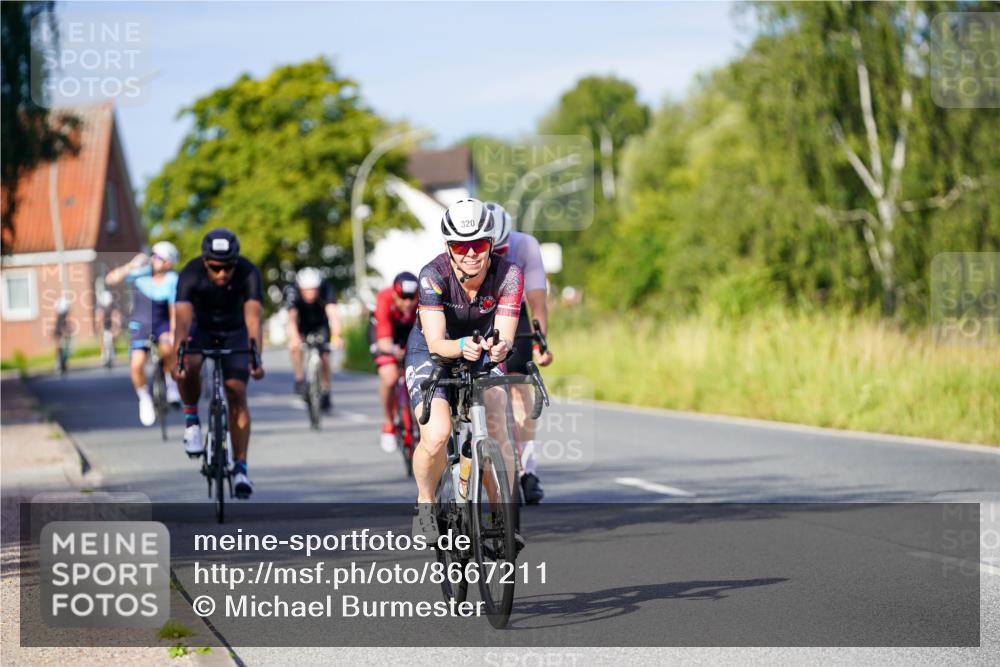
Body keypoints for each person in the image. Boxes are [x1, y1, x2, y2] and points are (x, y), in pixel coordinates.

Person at [404, 198, 524, 540]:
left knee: (498, 423)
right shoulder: (433, 275)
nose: (470, 253)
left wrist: (500, 347)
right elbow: (438, 342)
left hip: (481, 348)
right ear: (448, 246)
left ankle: (503, 515)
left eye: (478, 244)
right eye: (460, 245)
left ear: (490, 243)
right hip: (432, 349)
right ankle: (426, 500)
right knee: (438, 433)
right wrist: (459, 348)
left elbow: (504, 336)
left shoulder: (509, 274)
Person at [171, 229, 265, 499]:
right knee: (189, 362)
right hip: (201, 328)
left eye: (228, 267)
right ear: (205, 263)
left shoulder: (248, 273)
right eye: (215, 268)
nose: (222, 273)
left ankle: (241, 469)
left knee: (236, 391)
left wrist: (256, 357)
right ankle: (191, 420)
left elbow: (254, 320)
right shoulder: (190, 273)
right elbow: (182, 322)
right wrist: (179, 356)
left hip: (235, 330)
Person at [486, 202, 554, 504]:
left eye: (502, 251)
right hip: (479, 311)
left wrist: (541, 343)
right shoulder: (471, 249)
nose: (498, 256)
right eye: (493, 252)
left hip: (514, 311)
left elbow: (537, 302)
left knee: (519, 387)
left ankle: (528, 470)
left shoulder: (525, 245)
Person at [104, 242, 181, 426]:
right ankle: (144, 398)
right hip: (141, 324)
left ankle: (171, 383)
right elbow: (111, 279)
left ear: (168, 263)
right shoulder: (140, 274)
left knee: (168, 349)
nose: (154, 260)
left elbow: (173, 310)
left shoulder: (172, 280)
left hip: (162, 323)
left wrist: (173, 331)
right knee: (137, 364)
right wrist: (131, 265)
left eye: (159, 258)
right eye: (153, 256)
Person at [369, 272, 418, 452]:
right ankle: (388, 424)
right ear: (395, 294)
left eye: (412, 298)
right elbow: (383, 342)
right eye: (403, 298)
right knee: (389, 376)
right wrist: (392, 351)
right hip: (385, 333)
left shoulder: (421, 300)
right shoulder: (384, 298)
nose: (407, 303)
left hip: (409, 333)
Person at [286, 267, 343, 412]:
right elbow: (292, 319)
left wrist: (337, 336)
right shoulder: (293, 292)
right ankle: (299, 379)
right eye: (306, 290)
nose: (310, 294)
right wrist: (294, 338)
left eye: (313, 290)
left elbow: (333, 315)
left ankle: (326, 390)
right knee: (294, 347)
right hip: (302, 324)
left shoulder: (327, 289)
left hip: (321, 324)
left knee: (325, 357)